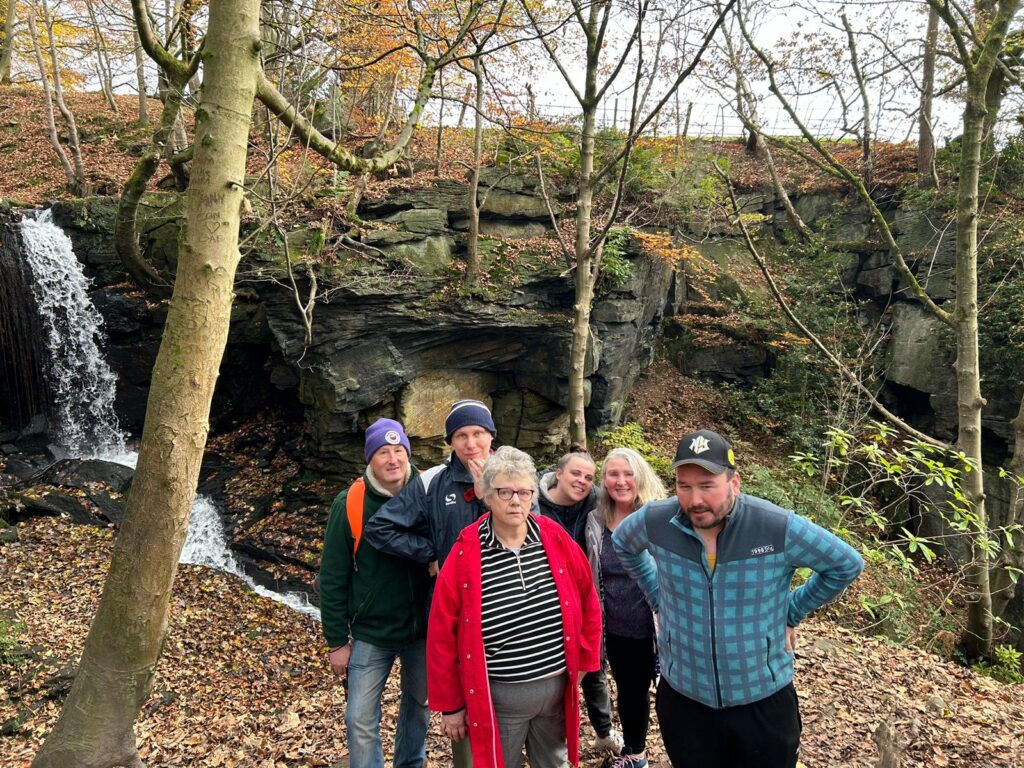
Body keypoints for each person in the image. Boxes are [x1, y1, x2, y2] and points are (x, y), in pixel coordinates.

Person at [613, 429, 865, 768]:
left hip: (762, 702)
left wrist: (791, 611)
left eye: (707, 485)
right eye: (684, 485)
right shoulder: (657, 521)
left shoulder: (775, 527)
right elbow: (624, 545)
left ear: (734, 483)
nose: (694, 499)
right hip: (685, 700)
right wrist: (657, 596)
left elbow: (845, 564)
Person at [427, 446, 602, 768]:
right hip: (497, 701)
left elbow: (588, 600)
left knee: (554, 763)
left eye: (523, 491)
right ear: (488, 496)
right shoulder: (466, 552)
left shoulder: (555, 538)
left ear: (534, 494)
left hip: (556, 692)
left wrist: (583, 661)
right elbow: (441, 633)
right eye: (504, 491)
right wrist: (451, 706)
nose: (515, 500)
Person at [363, 398, 498, 767]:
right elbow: (380, 527)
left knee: (507, 708)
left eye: (478, 433)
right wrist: (430, 552)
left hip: (505, 608)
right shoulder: (432, 481)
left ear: (491, 436)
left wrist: (488, 493)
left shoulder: (513, 471)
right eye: (461, 435)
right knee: (463, 704)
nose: (471, 443)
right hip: (454, 613)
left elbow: (532, 527)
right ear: (451, 441)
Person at [319, 418, 430, 768]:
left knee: (420, 706)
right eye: (384, 452)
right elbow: (333, 577)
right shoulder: (349, 503)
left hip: (423, 631)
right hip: (371, 632)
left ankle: (409, 763)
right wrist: (337, 642)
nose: (393, 459)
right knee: (359, 718)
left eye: (399, 451)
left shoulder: (428, 491)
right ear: (370, 458)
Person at [585, 447, 668, 768]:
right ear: (604, 480)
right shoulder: (595, 519)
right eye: (613, 474)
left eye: (628, 474)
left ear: (640, 476)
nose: (620, 481)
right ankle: (636, 753)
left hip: (658, 626)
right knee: (629, 692)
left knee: (671, 696)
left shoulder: (659, 516)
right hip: (616, 627)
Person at [537, 447, 622, 756]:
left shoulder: (596, 505)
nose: (582, 481)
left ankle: (604, 732)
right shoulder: (534, 505)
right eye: (575, 473)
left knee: (594, 666)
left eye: (588, 477)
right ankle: (550, 737)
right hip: (544, 598)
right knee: (552, 668)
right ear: (558, 474)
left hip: (585, 598)